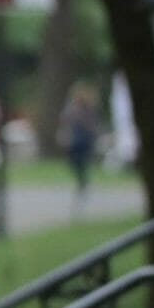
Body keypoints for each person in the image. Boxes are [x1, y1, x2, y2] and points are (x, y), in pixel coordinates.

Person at [64, 86, 103, 216]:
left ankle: (82, 184)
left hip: (83, 144)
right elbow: (66, 121)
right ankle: (81, 183)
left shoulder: (87, 112)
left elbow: (92, 126)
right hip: (75, 144)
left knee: (82, 166)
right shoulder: (73, 110)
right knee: (76, 166)